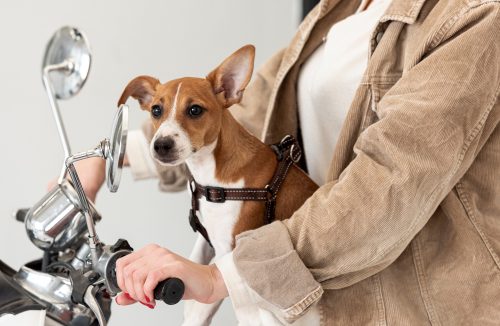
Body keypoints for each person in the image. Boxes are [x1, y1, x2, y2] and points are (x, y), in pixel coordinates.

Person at [67, 0, 500, 324]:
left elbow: (392, 179)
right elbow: (256, 105)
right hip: (309, 288)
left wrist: (222, 276)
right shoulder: (339, 8)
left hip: (413, 301)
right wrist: (109, 158)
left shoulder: (475, 14)